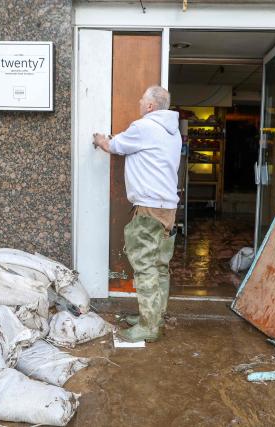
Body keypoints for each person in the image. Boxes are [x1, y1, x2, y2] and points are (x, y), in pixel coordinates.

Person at [93, 86, 181, 343]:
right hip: (168, 207)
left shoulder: (143, 127)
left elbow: (113, 145)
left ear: (151, 106)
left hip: (149, 208)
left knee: (144, 266)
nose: (140, 101)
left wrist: (99, 139)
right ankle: (154, 315)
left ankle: (149, 326)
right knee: (160, 266)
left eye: (143, 98)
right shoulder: (172, 132)